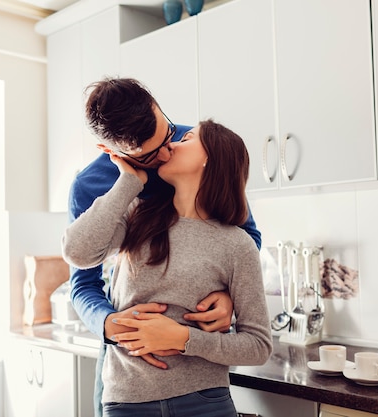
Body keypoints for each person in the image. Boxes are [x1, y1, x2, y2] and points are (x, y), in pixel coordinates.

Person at [68, 77, 262, 415]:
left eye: (170, 133)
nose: (168, 149)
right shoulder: (92, 187)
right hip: (128, 371)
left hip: (200, 386)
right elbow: (82, 275)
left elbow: (245, 237)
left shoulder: (197, 143)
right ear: (114, 152)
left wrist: (230, 295)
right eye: (151, 154)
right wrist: (108, 325)